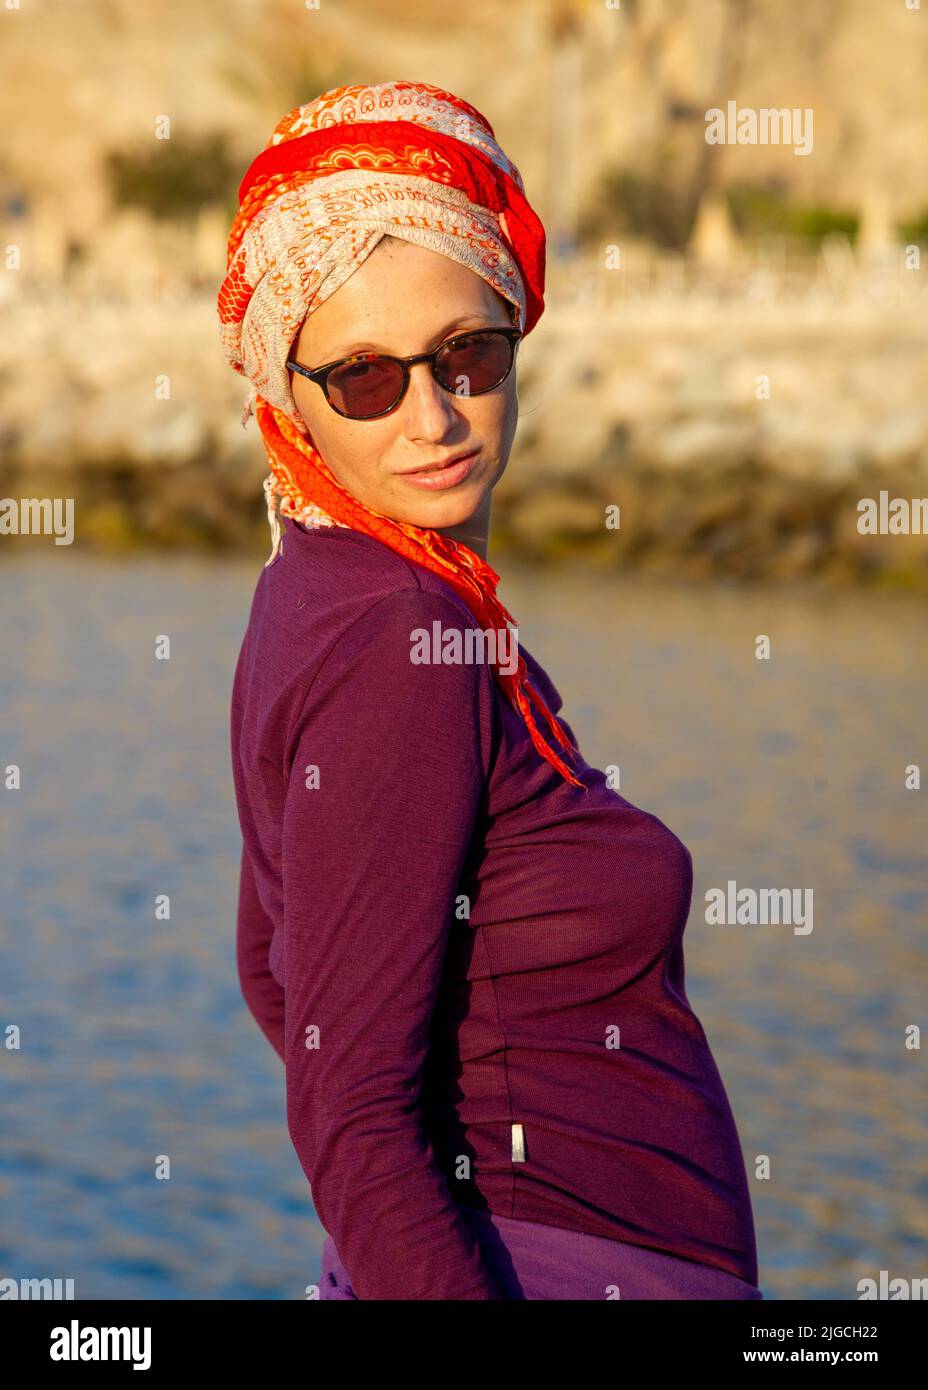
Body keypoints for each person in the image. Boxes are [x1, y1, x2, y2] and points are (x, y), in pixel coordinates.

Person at [218, 79, 762, 1301]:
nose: (434, 416)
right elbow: (349, 1112)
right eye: (364, 377)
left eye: (467, 354)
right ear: (286, 398)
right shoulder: (397, 636)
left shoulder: (329, 589)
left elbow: (269, 962)